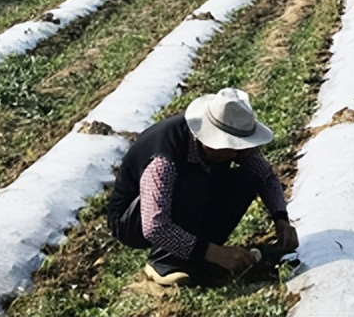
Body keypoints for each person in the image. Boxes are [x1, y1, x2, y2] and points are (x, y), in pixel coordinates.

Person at [107, 88, 299, 287]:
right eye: (228, 147)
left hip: (182, 200)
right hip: (134, 219)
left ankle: (198, 254)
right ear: (205, 140)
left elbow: (264, 175)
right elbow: (155, 226)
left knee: (246, 178)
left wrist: (280, 218)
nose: (235, 154)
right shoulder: (164, 160)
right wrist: (215, 252)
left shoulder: (230, 148)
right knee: (193, 184)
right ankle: (164, 262)